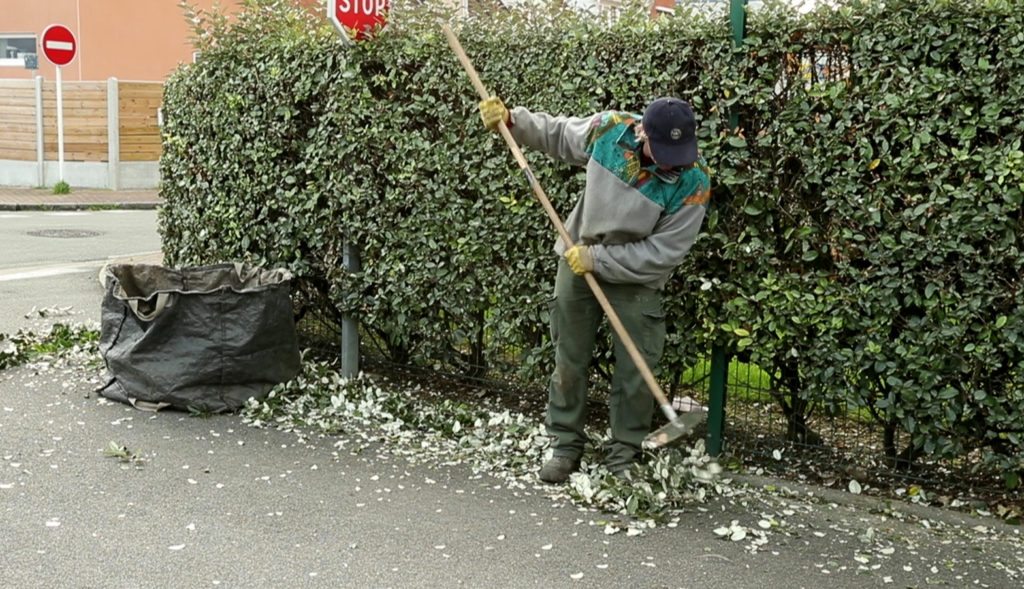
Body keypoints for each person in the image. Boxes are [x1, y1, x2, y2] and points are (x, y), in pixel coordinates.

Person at [477, 96, 712, 483]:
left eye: (680, 151)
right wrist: (511, 120)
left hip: (635, 277)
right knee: (569, 359)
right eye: (664, 150)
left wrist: (599, 260)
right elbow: (556, 134)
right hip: (577, 257)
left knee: (636, 368)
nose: (674, 160)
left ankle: (623, 457)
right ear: (641, 132)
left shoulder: (694, 182)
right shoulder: (609, 129)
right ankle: (565, 446)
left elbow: (662, 253)